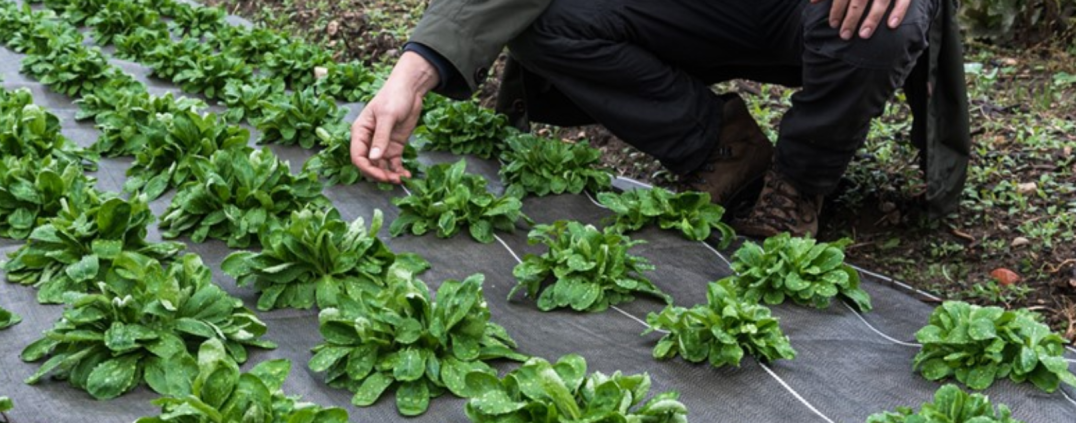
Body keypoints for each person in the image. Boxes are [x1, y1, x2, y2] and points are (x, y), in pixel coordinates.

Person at [350, 0, 969, 238]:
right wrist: (413, 74)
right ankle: (721, 145)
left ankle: (800, 184)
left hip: (816, 14)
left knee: (886, 18)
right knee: (550, 23)